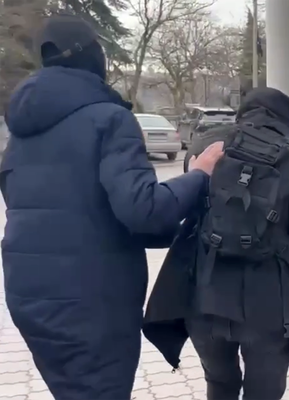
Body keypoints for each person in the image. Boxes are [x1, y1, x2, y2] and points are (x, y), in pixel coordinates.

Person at [0, 14, 224, 400]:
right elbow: (144, 211)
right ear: (91, 56)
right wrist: (200, 174)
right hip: (91, 303)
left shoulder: (21, 131)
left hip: (29, 298)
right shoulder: (110, 119)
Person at [143, 87, 289, 400]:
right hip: (271, 297)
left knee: (219, 382)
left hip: (206, 292)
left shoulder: (207, 143)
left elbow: (190, 210)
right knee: (265, 391)